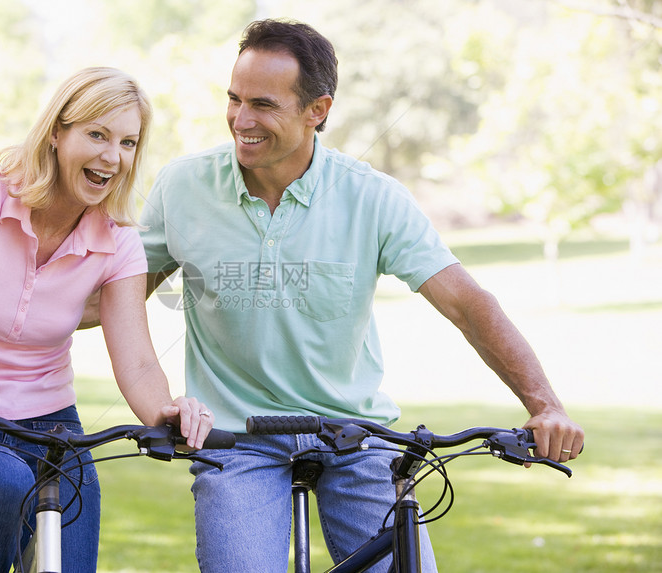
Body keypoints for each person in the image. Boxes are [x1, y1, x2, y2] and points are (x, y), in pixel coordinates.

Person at [135, 19, 585, 572]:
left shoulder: (373, 197)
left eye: (263, 104)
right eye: (234, 99)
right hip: (237, 440)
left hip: (355, 436)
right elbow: (111, 299)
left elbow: (468, 305)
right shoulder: (181, 187)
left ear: (316, 110)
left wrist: (545, 406)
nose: (241, 120)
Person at [0, 67, 215, 573]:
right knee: (2, 483)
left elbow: (137, 358)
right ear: (57, 132)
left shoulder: (119, 242)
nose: (112, 156)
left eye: (126, 142)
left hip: (52, 432)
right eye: (97, 134)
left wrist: (163, 412)